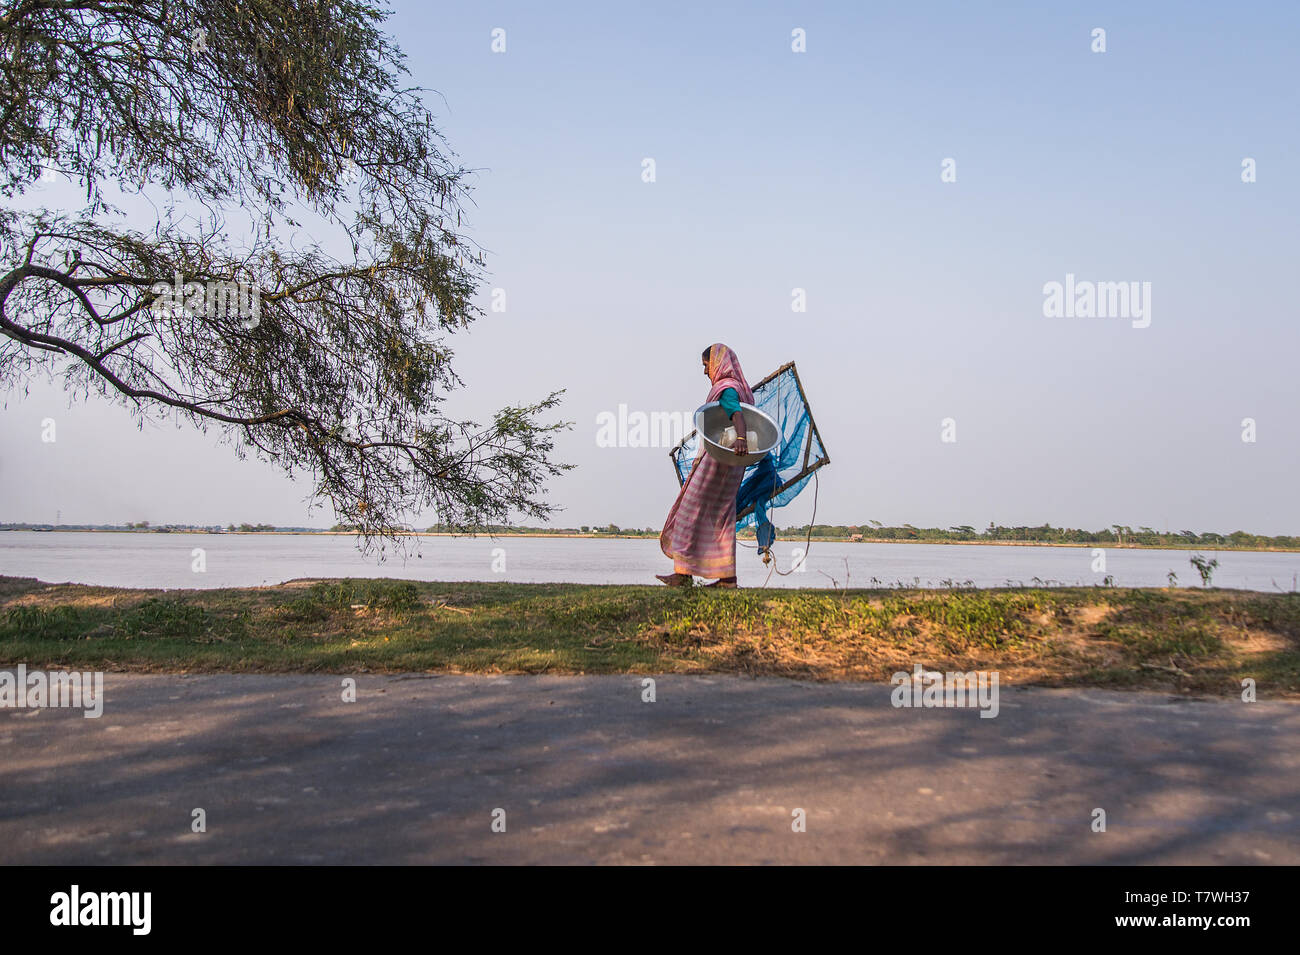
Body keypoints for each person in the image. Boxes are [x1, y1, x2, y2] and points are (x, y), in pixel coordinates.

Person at [657, 343, 753, 588]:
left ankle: (683, 574)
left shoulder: (728, 388)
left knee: (689, 511)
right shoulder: (741, 388)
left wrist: (740, 438)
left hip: (720, 459)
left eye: (706, 365)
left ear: (717, 364)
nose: (705, 372)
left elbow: (737, 415)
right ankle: (727, 579)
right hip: (733, 463)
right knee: (721, 517)